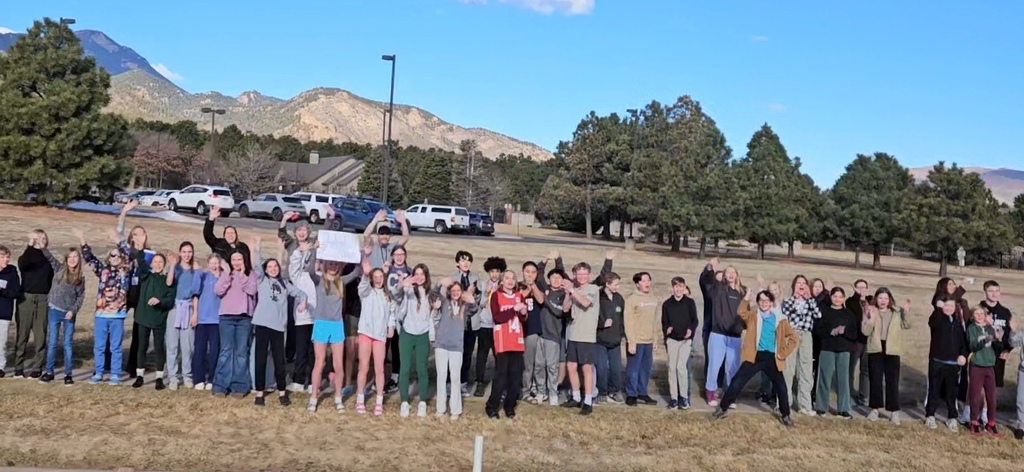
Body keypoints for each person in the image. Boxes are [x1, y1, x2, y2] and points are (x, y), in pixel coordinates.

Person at [711, 290, 798, 427]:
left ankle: (785, 415)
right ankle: (722, 408)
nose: (764, 303)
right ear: (758, 303)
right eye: (761, 301)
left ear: (771, 303)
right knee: (737, 381)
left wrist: (783, 353)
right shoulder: (753, 316)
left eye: (767, 301)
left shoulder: (780, 320)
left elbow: (793, 338)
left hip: (772, 358)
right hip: (755, 356)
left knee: (781, 386)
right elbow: (741, 312)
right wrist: (746, 298)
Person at [302, 241, 361, 413]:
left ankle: (338, 398)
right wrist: (315, 250)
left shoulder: (342, 281)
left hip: (337, 325)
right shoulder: (319, 280)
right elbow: (310, 270)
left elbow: (357, 271)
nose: (333, 267)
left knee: (338, 364)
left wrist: (358, 253)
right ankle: (313, 398)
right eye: (331, 264)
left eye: (336, 264)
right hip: (321, 323)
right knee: (319, 363)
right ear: (326, 265)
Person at [249, 236, 307, 407]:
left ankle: (282, 392)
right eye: (270, 267)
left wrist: (303, 302)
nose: (273, 269)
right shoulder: (262, 280)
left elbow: (301, 293)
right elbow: (256, 264)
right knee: (260, 359)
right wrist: (257, 247)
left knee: (279, 361)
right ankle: (259, 392)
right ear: (266, 270)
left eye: (275, 267)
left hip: (278, 327)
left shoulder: (284, 284)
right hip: (262, 325)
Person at [80, 230, 133, 385]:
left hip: (117, 315)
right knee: (99, 346)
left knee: (116, 347)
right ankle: (99, 373)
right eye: (112, 255)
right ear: (108, 258)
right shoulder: (103, 271)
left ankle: (115, 374)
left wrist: (117, 240)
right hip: (102, 315)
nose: (115, 257)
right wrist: (82, 239)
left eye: (117, 255)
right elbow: (89, 258)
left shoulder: (125, 271)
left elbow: (129, 253)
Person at [356, 245, 398, 416]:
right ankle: (360, 399)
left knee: (379, 369)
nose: (379, 280)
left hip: (380, 336)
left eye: (381, 277)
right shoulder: (367, 292)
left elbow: (392, 313)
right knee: (364, 367)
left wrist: (391, 326)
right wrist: (366, 274)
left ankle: (379, 401)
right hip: (366, 333)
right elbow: (362, 287)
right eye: (376, 277)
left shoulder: (388, 295)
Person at [862, 287, 912, 425]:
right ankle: (875, 409)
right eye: (880, 298)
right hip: (876, 349)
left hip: (892, 350)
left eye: (885, 298)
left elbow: (907, 325)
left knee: (892, 381)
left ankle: (894, 412)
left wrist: (906, 312)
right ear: (876, 299)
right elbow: (865, 331)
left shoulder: (896, 312)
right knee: (875, 380)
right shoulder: (871, 310)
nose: (883, 301)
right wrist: (871, 320)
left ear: (890, 299)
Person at [700, 257, 746, 407]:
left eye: (733, 272)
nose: (731, 274)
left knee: (733, 368)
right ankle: (710, 394)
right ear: (724, 275)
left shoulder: (742, 292)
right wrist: (710, 267)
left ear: (737, 275)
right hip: (718, 334)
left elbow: (745, 313)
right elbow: (706, 280)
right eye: (728, 272)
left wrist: (742, 326)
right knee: (714, 365)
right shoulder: (718, 289)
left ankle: (730, 397)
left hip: (735, 336)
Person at [213, 250, 258, 398]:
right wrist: (227, 275)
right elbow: (218, 290)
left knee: (241, 353)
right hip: (226, 317)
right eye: (234, 260)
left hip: (244, 318)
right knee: (225, 351)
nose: (237, 262)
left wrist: (243, 275)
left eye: (240, 259)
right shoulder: (226, 274)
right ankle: (220, 386)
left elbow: (252, 290)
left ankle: (239, 386)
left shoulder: (250, 275)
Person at [40, 242, 86, 385]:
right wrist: (42, 246)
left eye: (75, 257)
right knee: (52, 342)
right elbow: (49, 257)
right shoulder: (59, 269)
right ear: (66, 259)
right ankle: (49, 372)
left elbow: (80, 297)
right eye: (70, 257)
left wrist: (73, 311)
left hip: (68, 314)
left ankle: (68, 374)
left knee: (67, 344)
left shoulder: (80, 278)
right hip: (54, 310)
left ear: (79, 260)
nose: (72, 259)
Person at [395, 263, 436, 418]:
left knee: (422, 369)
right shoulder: (408, 290)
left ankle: (422, 402)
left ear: (426, 276)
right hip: (407, 332)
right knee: (405, 368)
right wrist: (402, 284)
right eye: (416, 274)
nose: (419, 277)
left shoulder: (430, 293)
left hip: (423, 334)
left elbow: (434, 315)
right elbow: (395, 294)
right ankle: (404, 401)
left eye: (422, 274)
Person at [434, 277, 479, 418]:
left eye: (458, 290)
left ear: (462, 292)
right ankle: (440, 408)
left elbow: (474, 309)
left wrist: (472, 300)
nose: (455, 293)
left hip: (456, 346)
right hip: (441, 345)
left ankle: (455, 410)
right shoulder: (444, 302)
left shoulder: (465, 307)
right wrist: (439, 283)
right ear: (449, 292)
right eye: (453, 290)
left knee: (455, 378)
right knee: (441, 377)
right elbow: (434, 294)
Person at [131, 249, 175, 390]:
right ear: (151, 264)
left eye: (160, 262)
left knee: (159, 348)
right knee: (142, 347)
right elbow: (141, 263)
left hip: (159, 319)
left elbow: (170, 300)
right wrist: (140, 249)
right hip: (143, 317)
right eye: (155, 262)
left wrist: (160, 301)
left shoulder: (168, 280)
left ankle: (159, 378)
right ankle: (139, 376)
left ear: (164, 264)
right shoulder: (146, 276)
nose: (157, 264)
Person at [486, 269, 528, 419]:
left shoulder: (519, 296)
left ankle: (509, 406)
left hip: (516, 340)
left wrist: (523, 313)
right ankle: (492, 406)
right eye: (507, 278)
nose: (510, 281)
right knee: (501, 376)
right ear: (502, 281)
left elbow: (523, 319)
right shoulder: (496, 295)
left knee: (515, 377)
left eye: (513, 278)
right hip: (503, 340)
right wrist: (513, 309)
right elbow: (498, 317)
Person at [13, 229, 54, 379]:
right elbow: (22, 264)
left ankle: (37, 368)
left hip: (43, 299)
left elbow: (53, 274)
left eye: (43, 237)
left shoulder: (48, 257)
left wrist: (44, 249)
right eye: (38, 237)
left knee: (40, 336)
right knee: (22, 335)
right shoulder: (28, 254)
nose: (41, 239)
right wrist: (30, 245)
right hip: (26, 298)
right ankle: (19, 367)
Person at [562, 261, 602, 415]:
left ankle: (588, 400)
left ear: (589, 275)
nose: (582, 276)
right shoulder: (575, 290)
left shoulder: (593, 289)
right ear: (574, 275)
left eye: (585, 274)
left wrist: (572, 290)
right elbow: (565, 308)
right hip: (574, 333)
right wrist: (568, 293)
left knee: (586, 368)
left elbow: (585, 303)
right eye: (579, 274)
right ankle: (576, 397)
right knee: (571, 366)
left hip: (587, 335)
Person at [923, 295, 967, 431]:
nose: (948, 308)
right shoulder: (937, 319)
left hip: (952, 364)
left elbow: (963, 344)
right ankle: (930, 416)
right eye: (946, 305)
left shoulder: (958, 324)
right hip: (937, 361)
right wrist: (938, 309)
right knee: (934, 390)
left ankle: (952, 417)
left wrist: (963, 355)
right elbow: (933, 323)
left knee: (951, 392)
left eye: (951, 306)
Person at [814, 287, 858, 418]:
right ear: (831, 297)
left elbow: (854, 334)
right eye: (835, 296)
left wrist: (844, 331)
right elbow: (818, 330)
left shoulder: (848, 314)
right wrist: (830, 331)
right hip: (827, 348)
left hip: (844, 349)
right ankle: (821, 407)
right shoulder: (824, 311)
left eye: (840, 297)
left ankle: (843, 409)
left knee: (843, 379)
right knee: (824, 377)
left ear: (843, 298)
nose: (837, 299)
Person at [779, 275, 820, 416]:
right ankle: (784, 403)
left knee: (806, 370)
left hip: (806, 335)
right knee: (788, 370)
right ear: (794, 286)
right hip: (791, 335)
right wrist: (794, 299)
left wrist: (809, 299)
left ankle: (805, 405)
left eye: (804, 283)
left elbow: (818, 315)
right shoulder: (788, 301)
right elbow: (784, 313)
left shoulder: (810, 302)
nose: (801, 285)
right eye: (798, 283)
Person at [165, 242, 199, 390]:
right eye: (184, 252)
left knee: (188, 346)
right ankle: (173, 377)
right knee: (172, 345)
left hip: (189, 308)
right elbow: (169, 282)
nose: (187, 255)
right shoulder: (175, 267)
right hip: (175, 308)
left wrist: (195, 313)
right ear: (180, 252)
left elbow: (196, 294)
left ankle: (187, 375)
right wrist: (173, 265)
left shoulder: (195, 270)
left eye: (189, 252)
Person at [451, 250, 485, 398]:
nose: (465, 263)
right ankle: (451, 383)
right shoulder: (453, 278)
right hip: (456, 322)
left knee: (467, 354)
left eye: (468, 260)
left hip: (472, 322)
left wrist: (472, 297)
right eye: (462, 260)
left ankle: (463, 383)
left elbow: (479, 299)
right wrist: (467, 295)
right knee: (454, 354)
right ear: (457, 263)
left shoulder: (475, 278)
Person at [471, 256, 506, 397]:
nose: (494, 274)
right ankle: (480, 382)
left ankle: (500, 384)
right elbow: (478, 304)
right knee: (482, 355)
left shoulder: (504, 286)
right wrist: (485, 294)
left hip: (498, 326)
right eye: (492, 271)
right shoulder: (483, 285)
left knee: (499, 356)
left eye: (497, 271)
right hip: (485, 324)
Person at [623, 272, 659, 407]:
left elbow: (656, 321)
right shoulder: (631, 300)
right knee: (633, 369)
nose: (647, 283)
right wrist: (631, 341)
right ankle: (631, 394)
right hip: (636, 340)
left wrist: (655, 339)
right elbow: (628, 322)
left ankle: (642, 392)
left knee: (645, 369)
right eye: (643, 281)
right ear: (637, 284)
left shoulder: (654, 299)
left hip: (648, 341)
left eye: (648, 280)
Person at [662, 276, 698, 409]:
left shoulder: (690, 303)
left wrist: (690, 330)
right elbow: (664, 322)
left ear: (684, 287)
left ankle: (684, 397)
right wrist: (667, 329)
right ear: (672, 288)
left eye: (681, 286)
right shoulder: (667, 304)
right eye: (676, 286)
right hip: (672, 340)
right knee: (672, 368)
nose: (678, 289)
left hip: (685, 340)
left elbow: (694, 320)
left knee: (680, 367)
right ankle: (674, 398)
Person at [535, 260, 568, 406]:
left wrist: (545, 300)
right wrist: (545, 260)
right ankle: (541, 391)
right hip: (539, 334)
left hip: (553, 335)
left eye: (559, 278)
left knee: (552, 367)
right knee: (539, 365)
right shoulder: (544, 288)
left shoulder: (564, 295)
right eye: (553, 277)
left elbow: (558, 311)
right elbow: (539, 274)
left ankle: (553, 393)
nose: (556, 280)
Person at [966, 306, 1001, 436]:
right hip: (977, 364)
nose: (980, 316)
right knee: (975, 395)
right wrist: (986, 339)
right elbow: (973, 346)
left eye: (982, 313)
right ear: (972, 316)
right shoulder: (971, 328)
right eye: (977, 313)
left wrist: (998, 339)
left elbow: (997, 348)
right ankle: (974, 422)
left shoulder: (990, 328)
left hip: (989, 365)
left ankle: (991, 423)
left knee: (991, 396)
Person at [191, 253, 223, 390]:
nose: (214, 266)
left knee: (215, 350)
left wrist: (219, 276)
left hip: (216, 320)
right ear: (208, 263)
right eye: (212, 263)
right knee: (200, 349)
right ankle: (198, 378)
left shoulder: (223, 277)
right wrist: (195, 314)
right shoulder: (203, 275)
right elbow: (195, 293)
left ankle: (212, 378)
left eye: (216, 263)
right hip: (202, 319)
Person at [595, 272, 625, 405]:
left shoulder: (619, 298)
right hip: (600, 339)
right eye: (615, 284)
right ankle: (602, 392)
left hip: (615, 339)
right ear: (607, 284)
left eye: (618, 284)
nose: (617, 287)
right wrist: (602, 324)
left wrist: (621, 334)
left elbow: (622, 317)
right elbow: (592, 317)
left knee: (616, 368)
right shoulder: (598, 297)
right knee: (601, 368)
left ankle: (615, 391)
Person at [519, 261, 546, 404]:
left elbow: (541, 300)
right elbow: (516, 299)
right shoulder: (517, 285)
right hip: (517, 330)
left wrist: (533, 286)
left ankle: (528, 389)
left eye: (533, 272)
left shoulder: (539, 286)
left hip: (532, 329)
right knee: (518, 362)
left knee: (531, 363)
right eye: (527, 271)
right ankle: (518, 388)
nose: (530, 274)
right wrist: (526, 290)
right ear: (522, 272)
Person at [980, 280, 1012, 389]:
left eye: (997, 291)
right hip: (981, 354)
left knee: (993, 387)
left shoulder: (1005, 312)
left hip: (998, 356)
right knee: (979, 387)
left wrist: (1007, 349)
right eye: (991, 291)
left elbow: (1008, 334)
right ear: (985, 292)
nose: (994, 294)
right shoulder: (978, 310)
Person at [847, 279, 871, 406]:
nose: (862, 289)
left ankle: (864, 395)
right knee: (850, 368)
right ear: (855, 288)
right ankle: (849, 394)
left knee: (865, 369)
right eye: (859, 287)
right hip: (856, 340)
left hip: (868, 341)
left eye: (864, 287)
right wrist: (858, 296)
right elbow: (855, 316)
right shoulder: (851, 301)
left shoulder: (871, 300)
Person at [0, 245, 22, 378]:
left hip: (4, 313)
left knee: (1, 342)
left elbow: (16, 292)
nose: (5, 260)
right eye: (2, 257)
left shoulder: (12, 272)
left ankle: (1, 366)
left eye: (7, 257)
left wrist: (3, 291)